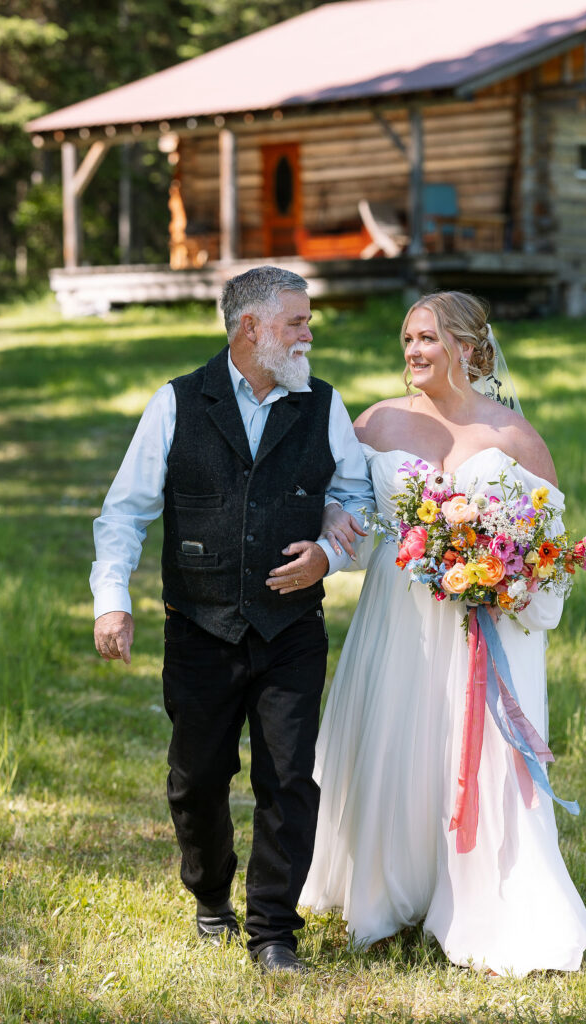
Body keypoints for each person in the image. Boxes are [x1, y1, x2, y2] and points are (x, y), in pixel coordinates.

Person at [90, 266, 373, 975]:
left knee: (288, 779)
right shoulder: (176, 403)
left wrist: (328, 557)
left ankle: (273, 932)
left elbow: (361, 505)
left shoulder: (323, 405)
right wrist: (112, 600)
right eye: (296, 322)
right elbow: (124, 512)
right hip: (199, 626)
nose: (308, 334)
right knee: (196, 778)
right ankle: (210, 895)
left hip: (289, 630)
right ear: (250, 327)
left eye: (307, 322)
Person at [301, 291, 586, 975]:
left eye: (428, 338)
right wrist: (327, 523)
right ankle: (387, 890)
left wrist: (504, 578)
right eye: (407, 339)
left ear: (467, 348)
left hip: (485, 627)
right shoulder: (374, 423)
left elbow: (549, 553)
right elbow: (328, 498)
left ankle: (484, 901)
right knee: (398, 739)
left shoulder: (514, 439)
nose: (413, 352)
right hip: (398, 619)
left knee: (482, 757)